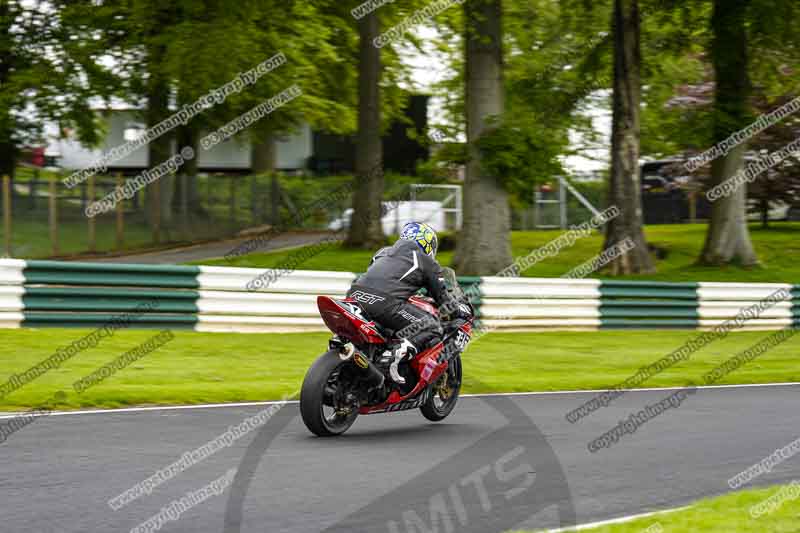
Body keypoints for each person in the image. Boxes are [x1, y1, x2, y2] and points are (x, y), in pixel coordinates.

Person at [346, 222, 472, 384]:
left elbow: (383, 279)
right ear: (428, 244)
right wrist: (459, 311)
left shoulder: (382, 252)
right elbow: (442, 299)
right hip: (385, 304)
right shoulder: (426, 261)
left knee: (381, 330)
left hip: (354, 296)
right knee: (432, 326)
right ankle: (394, 355)